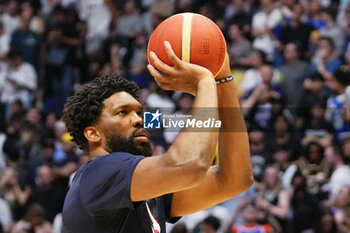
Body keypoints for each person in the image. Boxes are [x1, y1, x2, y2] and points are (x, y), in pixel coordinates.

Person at [61, 41, 253, 232]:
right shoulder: (99, 172)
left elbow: (234, 179)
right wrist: (205, 81)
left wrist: (224, 79)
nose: (139, 120)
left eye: (139, 112)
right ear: (93, 134)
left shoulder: (145, 189)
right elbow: (191, 164)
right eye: (123, 112)